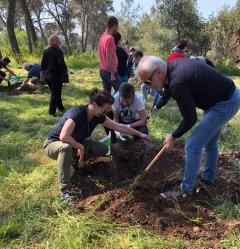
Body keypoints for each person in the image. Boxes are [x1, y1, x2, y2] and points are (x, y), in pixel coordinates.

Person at [136, 56, 240, 201]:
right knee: (209, 142)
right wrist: (160, 104)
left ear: (158, 72)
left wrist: (173, 135)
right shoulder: (171, 66)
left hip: (225, 103)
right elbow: (168, 89)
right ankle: (207, 179)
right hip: (221, 98)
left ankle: (184, 191)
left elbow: (190, 118)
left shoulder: (178, 82)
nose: (147, 86)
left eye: (147, 81)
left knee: (192, 145)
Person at [43, 89, 150, 206]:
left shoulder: (97, 116)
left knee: (102, 149)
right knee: (66, 147)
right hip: (54, 144)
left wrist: (139, 134)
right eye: (104, 109)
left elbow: (119, 127)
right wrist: (80, 147)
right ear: (94, 105)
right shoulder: (76, 113)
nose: (106, 111)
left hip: (74, 144)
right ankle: (65, 191)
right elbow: (63, 136)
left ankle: (75, 162)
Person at [40, 34, 68, 116]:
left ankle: (61, 107)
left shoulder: (46, 51)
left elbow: (42, 64)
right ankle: (51, 112)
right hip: (56, 76)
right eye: (58, 40)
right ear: (55, 41)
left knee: (56, 93)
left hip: (48, 76)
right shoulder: (58, 51)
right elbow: (61, 64)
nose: (60, 42)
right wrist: (65, 72)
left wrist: (42, 75)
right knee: (55, 94)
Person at [98, 16, 121, 93]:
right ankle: (118, 105)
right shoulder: (110, 38)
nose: (117, 28)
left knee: (106, 95)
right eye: (117, 26)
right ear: (114, 26)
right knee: (122, 91)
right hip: (109, 71)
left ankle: (106, 105)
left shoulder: (102, 37)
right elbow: (109, 57)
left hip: (102, 70)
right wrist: (112, 73)